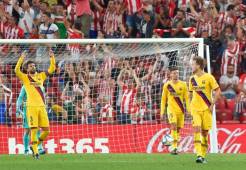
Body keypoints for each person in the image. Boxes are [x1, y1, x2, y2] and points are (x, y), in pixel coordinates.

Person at [14, 50, 56, 159]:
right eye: (31, 66)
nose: (33, 67)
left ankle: (35, 145)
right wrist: (21, 58)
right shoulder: (24, 78)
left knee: (46, 130)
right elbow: (16, 70)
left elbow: (52, 69)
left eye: (34, 65)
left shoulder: (41, 76)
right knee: (33, 129)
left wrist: (52, 57)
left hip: (42, 107)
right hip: (31, 107)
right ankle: (35, 152)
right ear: (27, 69)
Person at [189, 56, 221, 163]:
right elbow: (190, 94)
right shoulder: (191, 79)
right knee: (197, 129)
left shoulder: (209, 77)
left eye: (193, 64)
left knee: (204, 133)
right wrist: (189, 107)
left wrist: (212, 104)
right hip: (195, 109)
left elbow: (218, 91)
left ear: (198, 65)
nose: (191, 66)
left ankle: (202, 156)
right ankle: (198, 154)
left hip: (206, 109)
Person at [160, 67, 190, 155]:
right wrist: (162, 112)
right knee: (173, 126)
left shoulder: (183, 84)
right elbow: (163, 100)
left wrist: (188, 110)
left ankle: (169, 141)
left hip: (181, 110)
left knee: (177, 130)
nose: (175, 74)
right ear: (170, 74)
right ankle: (174, 148)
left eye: (177, 73)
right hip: (171, 110)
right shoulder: (167, 85)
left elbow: (187, 99)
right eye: (173, 73)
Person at [16, 86, 45, 155]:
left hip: (38, 108)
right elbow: (20, 98)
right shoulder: (25, 86)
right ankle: (26, 150)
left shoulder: (41, 86)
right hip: (27, 108)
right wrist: (18, 110)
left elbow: (43, 98)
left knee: (38, 129)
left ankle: (39, 148)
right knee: (27, 130)